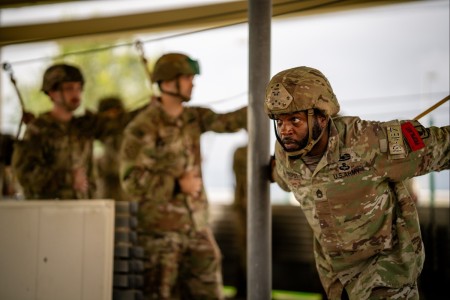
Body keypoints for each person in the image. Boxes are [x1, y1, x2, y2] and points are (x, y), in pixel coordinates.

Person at [265, 66, 449, 299]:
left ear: (322, 117)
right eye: (279, 122)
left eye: (295, 120)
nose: (285, 130)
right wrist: (267, 173)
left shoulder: (368, 141)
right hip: (337, 282)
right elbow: (282, 176)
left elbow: (443, 147)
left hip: (385, 277)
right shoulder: (285, 154)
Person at [119, 52, 247, 300]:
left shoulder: (193, 117)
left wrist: (268, 104)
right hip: (160, 235)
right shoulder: (142, 127)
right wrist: (177, 185)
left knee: (209, 290)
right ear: (167, 83)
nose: (193, 83)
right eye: (187, 78)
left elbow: (229, 121)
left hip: (197, 226)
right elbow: (131, 181)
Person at [12, 63, 119, 200]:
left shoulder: (83, 126)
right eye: (69, 88)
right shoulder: (38, 129)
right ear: (52, 93)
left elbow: (121, 123)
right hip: (50, 213)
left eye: (78, 88)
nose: (75, 93)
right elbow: (25, 174)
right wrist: (68, 178)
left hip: (85, 210)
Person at [94, 96, 145, 201]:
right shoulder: (103, 131)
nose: (112, 116)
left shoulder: (129, 129)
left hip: (130, 192)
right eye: (108, 113)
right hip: (108, 192)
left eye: (115, 112)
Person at [231, 144, 248, 299]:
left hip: (248, 207)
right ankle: (243, 292)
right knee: (244, 249)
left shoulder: (241, 152)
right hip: (244, 209)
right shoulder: (242, 152)